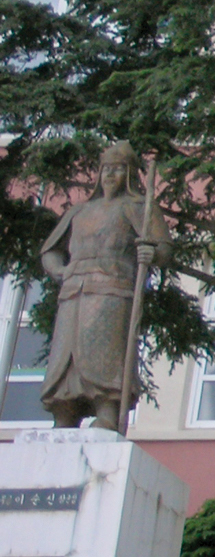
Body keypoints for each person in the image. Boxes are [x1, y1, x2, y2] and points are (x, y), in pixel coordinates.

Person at [38, 141, 168, 430]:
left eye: (119, 169)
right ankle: (64, 412)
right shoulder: (79, 211)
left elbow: (163, 248)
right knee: (65, 355)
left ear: (131, 174)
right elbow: (51, 250)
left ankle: (107, 412)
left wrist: (152, 253)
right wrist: (60, 270)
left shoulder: (138, 207)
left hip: (113, 288)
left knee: (105, 352)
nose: (111, 175)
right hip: (74, 290)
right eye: (107, 169)